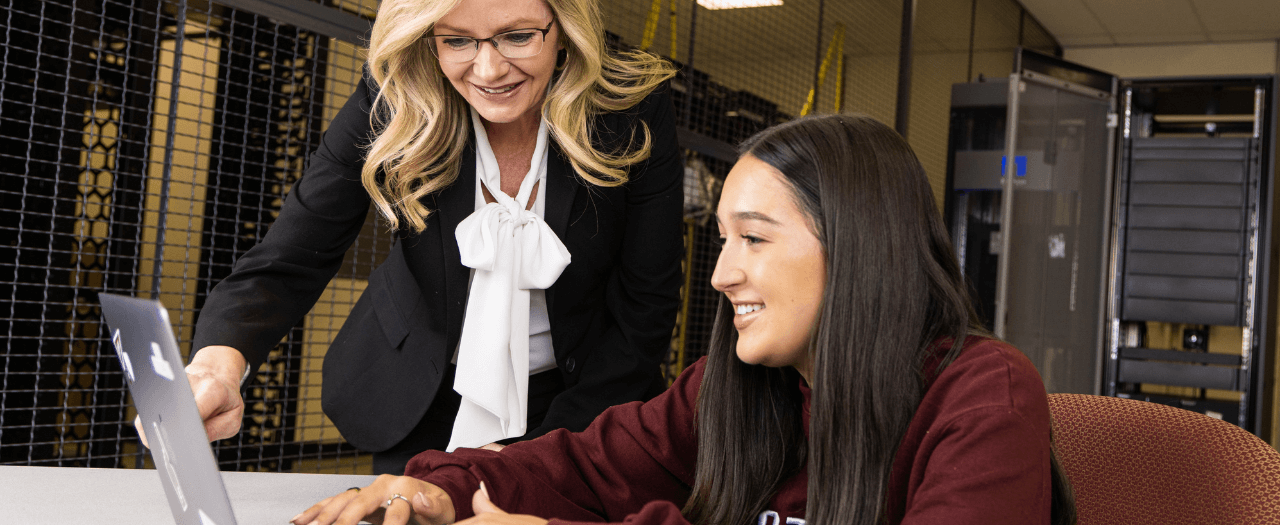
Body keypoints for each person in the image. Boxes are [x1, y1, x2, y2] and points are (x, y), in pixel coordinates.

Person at [289, 114, 1077, 525]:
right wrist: (440, 489)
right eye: (724, 238)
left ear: (859, 248)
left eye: (755, 240)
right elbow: (584, 468)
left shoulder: (984, 395)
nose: (723, 272)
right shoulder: (737, 385)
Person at [167, 0, 684, 475]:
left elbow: (648, 303)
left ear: (565, 27)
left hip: (578, 398)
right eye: (456, 40)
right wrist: (218, 363)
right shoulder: (394, 95)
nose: (489, 70)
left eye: (519, 36)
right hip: (419, 389)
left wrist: (540, 451)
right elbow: (294, 251)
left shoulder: (632, 110)